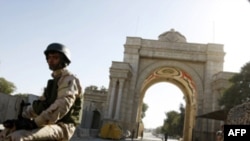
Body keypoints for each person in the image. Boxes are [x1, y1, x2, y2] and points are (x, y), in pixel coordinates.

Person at [0, 43, 83, 141]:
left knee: (18, 137)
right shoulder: (53, 83)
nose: (50, 60)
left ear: (64, 60)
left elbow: (62, 105)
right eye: (49, 58)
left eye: (55, 57)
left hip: (63, 126)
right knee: (5, 132)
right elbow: (39, 106)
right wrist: (20, 120)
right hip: (48, 123)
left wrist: (34, 123)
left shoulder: (69, 79)